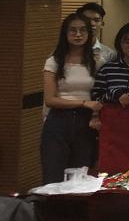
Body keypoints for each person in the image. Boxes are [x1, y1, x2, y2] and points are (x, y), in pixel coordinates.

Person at [40, 13, 100, 185]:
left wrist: (95, 114)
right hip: (58, 121)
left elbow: (99, 95)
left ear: (89, 34)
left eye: (82, 30)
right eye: (73, 30)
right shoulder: (54, 61)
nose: (78, 34)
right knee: (53, 179)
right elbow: (50, 100)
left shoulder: (96, 61)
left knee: (79, 180)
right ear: (65, 34)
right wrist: (83, 103)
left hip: (86, 123)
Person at [77, 2, 116, 66]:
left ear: (102, 24)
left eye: (96, 20)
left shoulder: (110, 55)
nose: (92, 24)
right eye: (87, 20)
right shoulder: (68, 51)